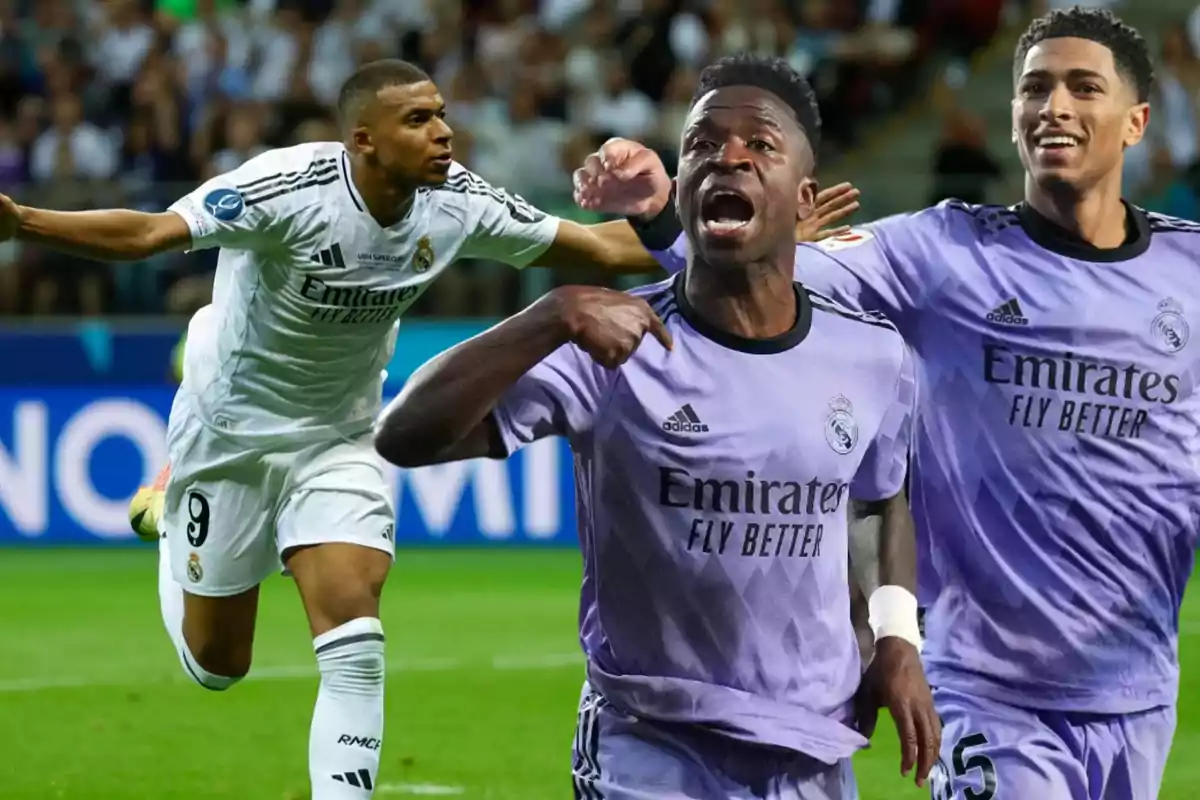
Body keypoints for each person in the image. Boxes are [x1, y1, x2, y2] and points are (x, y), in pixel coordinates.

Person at [0, 57, 707, 799]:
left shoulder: (457, 199)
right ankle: (175, 512)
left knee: (355, 639)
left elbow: (601, 247)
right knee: (217, 666)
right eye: (419, 120)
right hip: (229, 437)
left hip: (339, 436)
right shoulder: (286, 187)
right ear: (364, 141)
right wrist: (20, 222)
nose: (444, 132)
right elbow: (149, 233)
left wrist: (740, 239)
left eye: (440, 113)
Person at [577, 8, 1198, 799]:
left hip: (1139, 686)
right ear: (1012, 117)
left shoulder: (1189, 268)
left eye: (1084, 88)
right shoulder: (940, 252)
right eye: (1035, 88)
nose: (1055, 107)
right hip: (985, 688)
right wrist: (664, 211)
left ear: (1137, 120)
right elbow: (754, 276)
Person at [373, 54, 938, 799]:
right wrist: (549, 315)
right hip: (649, 747)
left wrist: (897, 638)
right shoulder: (610, 340)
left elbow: (875, 499)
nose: (726, 157)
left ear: (805, 203)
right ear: (682, 187)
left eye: (758, 145)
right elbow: (405, 436)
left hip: (813, 745)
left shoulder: (871, 353)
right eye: (702, 145)